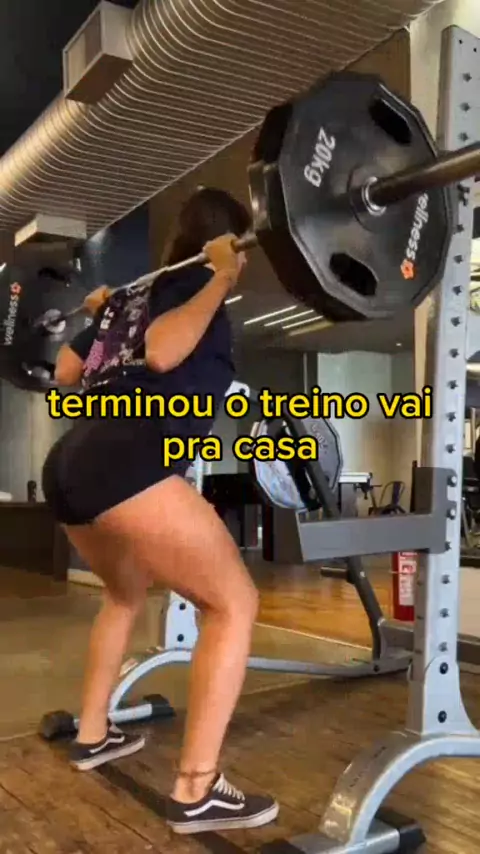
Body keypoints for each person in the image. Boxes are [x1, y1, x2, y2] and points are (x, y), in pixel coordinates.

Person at [41, 187, 279, 835]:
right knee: (234, 604)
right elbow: (165, 352)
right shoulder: (200, 287)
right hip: (130, 458)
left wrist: (103, 319)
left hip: (72, 462)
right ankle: (198, 789)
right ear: (230, 242)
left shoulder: (132, 298)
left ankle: (94, 734)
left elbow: (65, 370)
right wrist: (220, 278)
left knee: (124, 595)